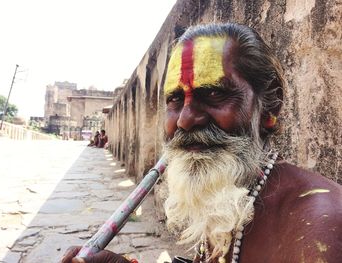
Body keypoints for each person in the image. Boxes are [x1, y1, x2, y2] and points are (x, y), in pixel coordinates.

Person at [62, 23, 342, 263]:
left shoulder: (318, 230)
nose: (184, 121)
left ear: (269, 108)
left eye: (212, 93)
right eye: (174, 99)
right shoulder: (231, 192)